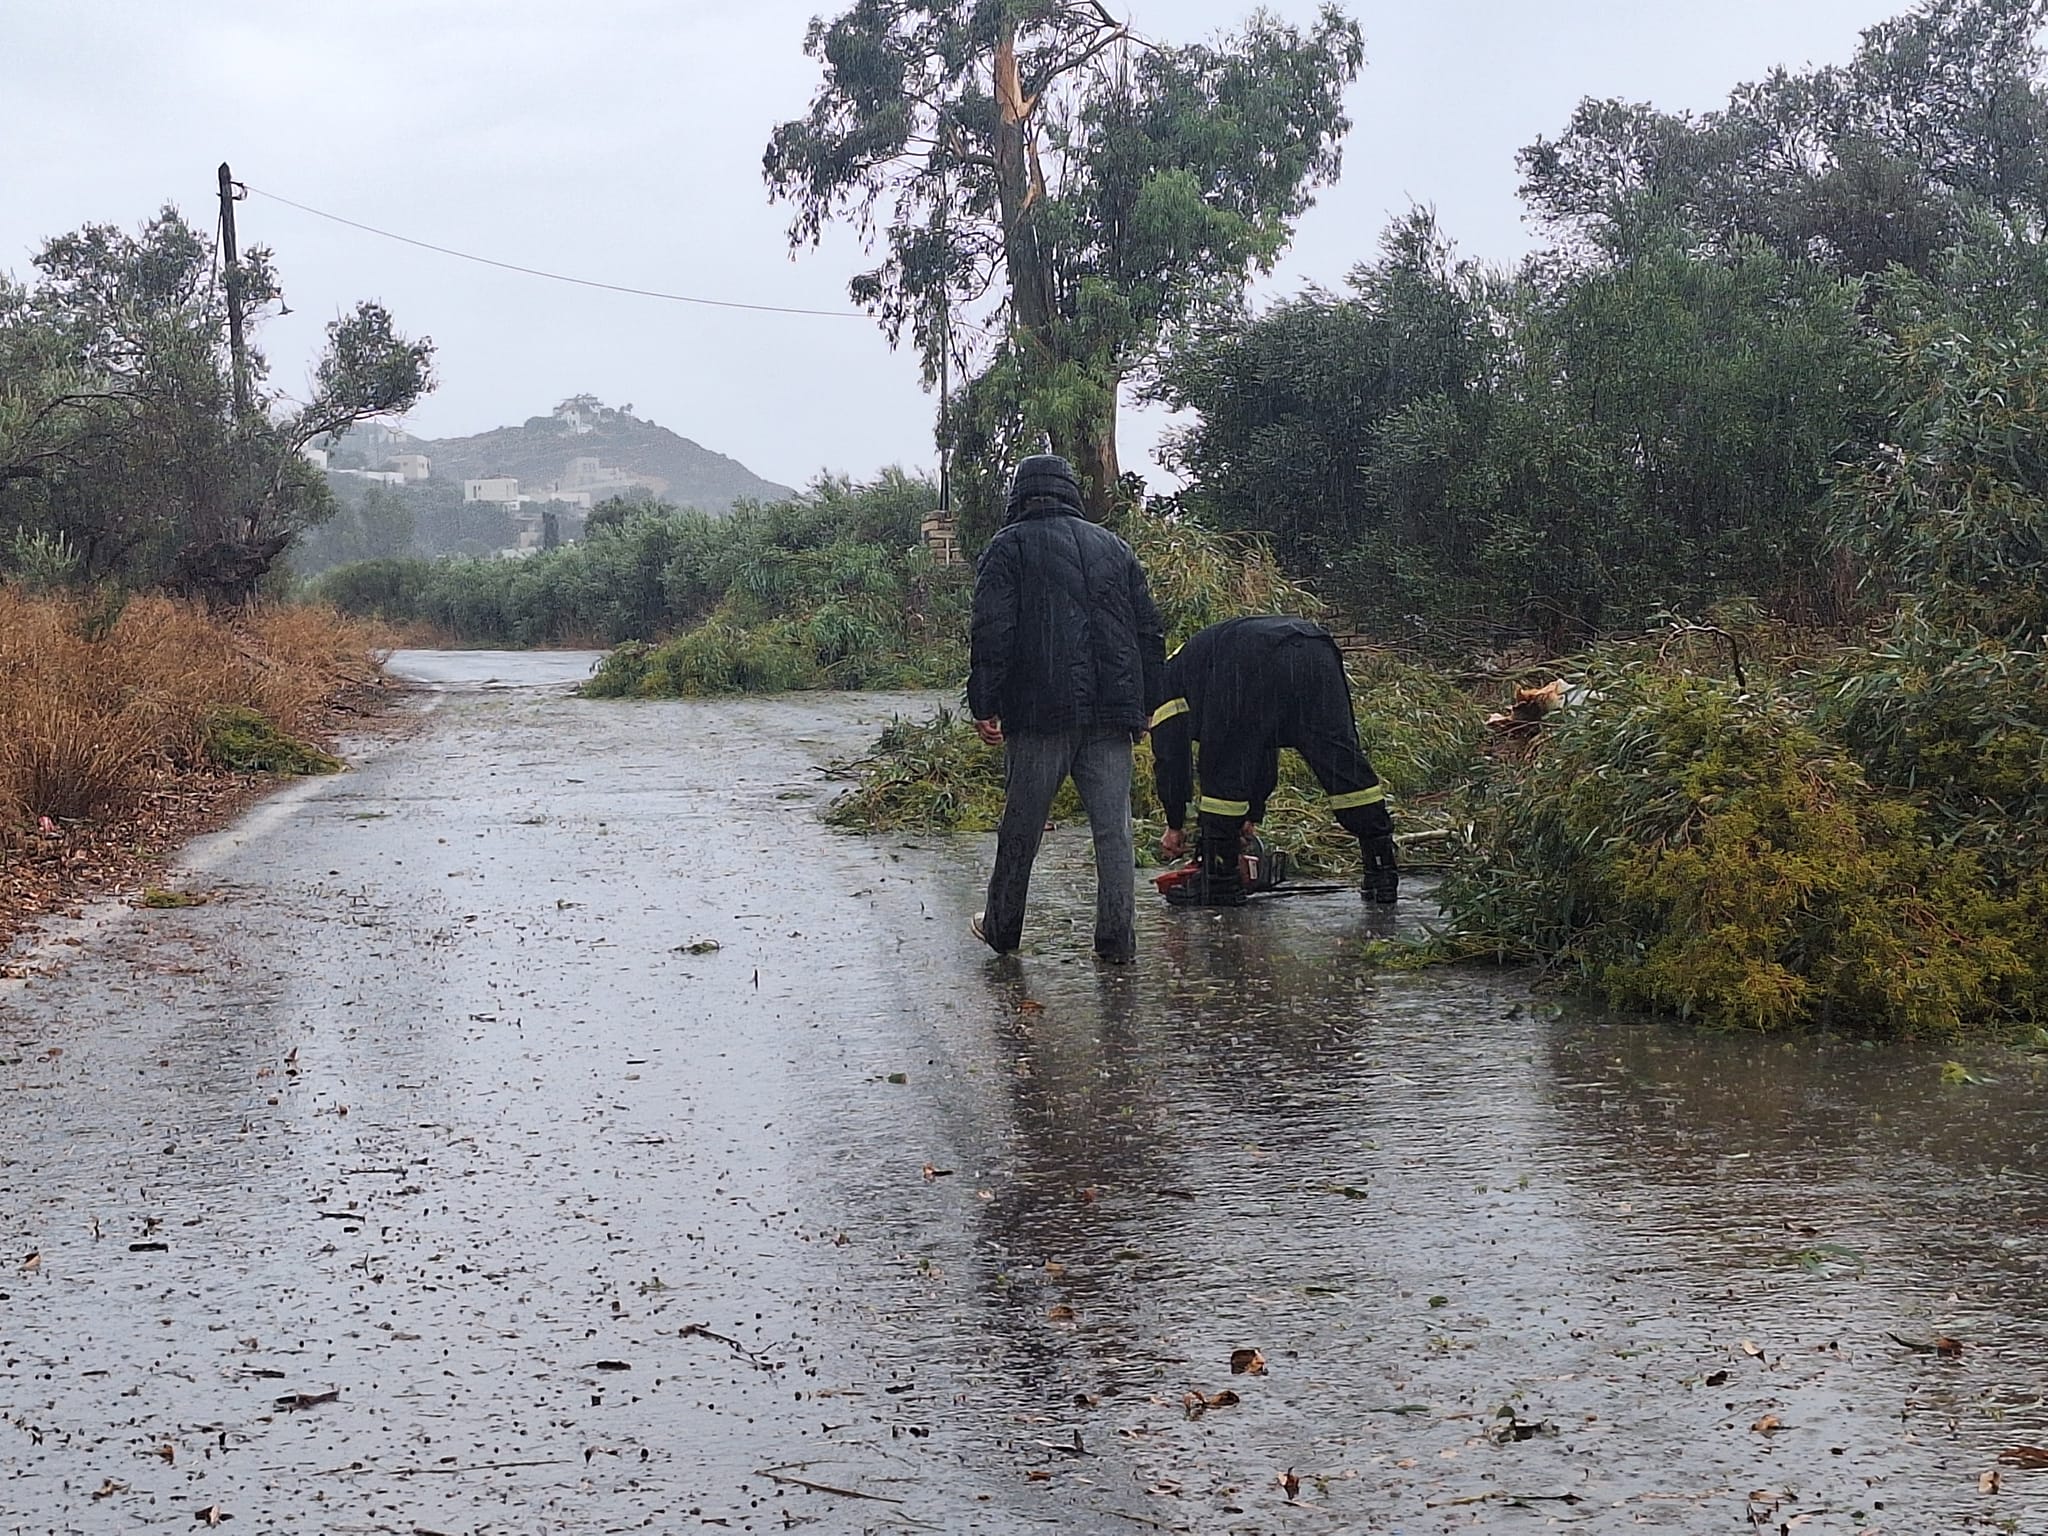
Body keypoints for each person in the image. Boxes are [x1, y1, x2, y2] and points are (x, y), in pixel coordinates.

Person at [968, 454, 1165, 961]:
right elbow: (1148, 630)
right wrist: (1146, 703)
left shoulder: (1008, 546)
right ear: (1071, 492)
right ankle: (1117, 942)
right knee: (1115, 832)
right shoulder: (1114, 547)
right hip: (1110, 714)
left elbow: (995, 631)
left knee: (1022, 827)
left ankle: (1002, 929)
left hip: (1040, 712)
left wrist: (985, 703)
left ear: (1021, 494)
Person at [1149, 615, 1398, 905]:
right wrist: (1252, 814)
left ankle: (1220, 881)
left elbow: (1172, 760)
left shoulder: (1164, 685)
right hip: (1316, 650)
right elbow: (1262, 745)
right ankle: (1381, 873)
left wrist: (1175, 824)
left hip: (1247, 659)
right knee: (1343, 766)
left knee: (1222, 765)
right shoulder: (1197, 661)